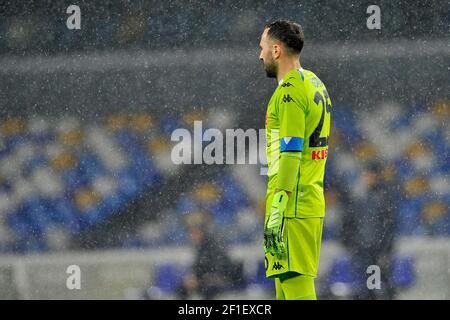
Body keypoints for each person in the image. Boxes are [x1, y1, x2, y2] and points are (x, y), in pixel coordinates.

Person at [258, 20, 332, 300]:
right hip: (307, 201)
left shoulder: (288, 92)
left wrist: (277, 209)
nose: (260, 55)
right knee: (285, 291)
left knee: (297, 291)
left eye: (263, 47)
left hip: (291, 207)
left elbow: (290, 153)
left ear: (276, 50)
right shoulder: (314, 82)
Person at [343, 161, 398, 299]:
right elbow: (348, 223)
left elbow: (389, 226)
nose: (367, 177)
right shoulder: (357, 196)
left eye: (370, 174)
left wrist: (385, 249)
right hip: (361, 249)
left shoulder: (385, 197)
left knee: (379, 286)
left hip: (377, 250)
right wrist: (350, 243)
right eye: (366, 174)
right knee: (364, 287)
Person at [177, 212, 244, 299]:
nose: (191, 236)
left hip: (221, 279)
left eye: (194, 233)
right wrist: (195, 278)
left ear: (201, 232)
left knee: (208, 290)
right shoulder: (199, 247)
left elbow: (220, 266)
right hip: (206, 280)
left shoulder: (214, 244)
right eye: (191, 233)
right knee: (181, 289)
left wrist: (201, 279)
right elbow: (199, 267)